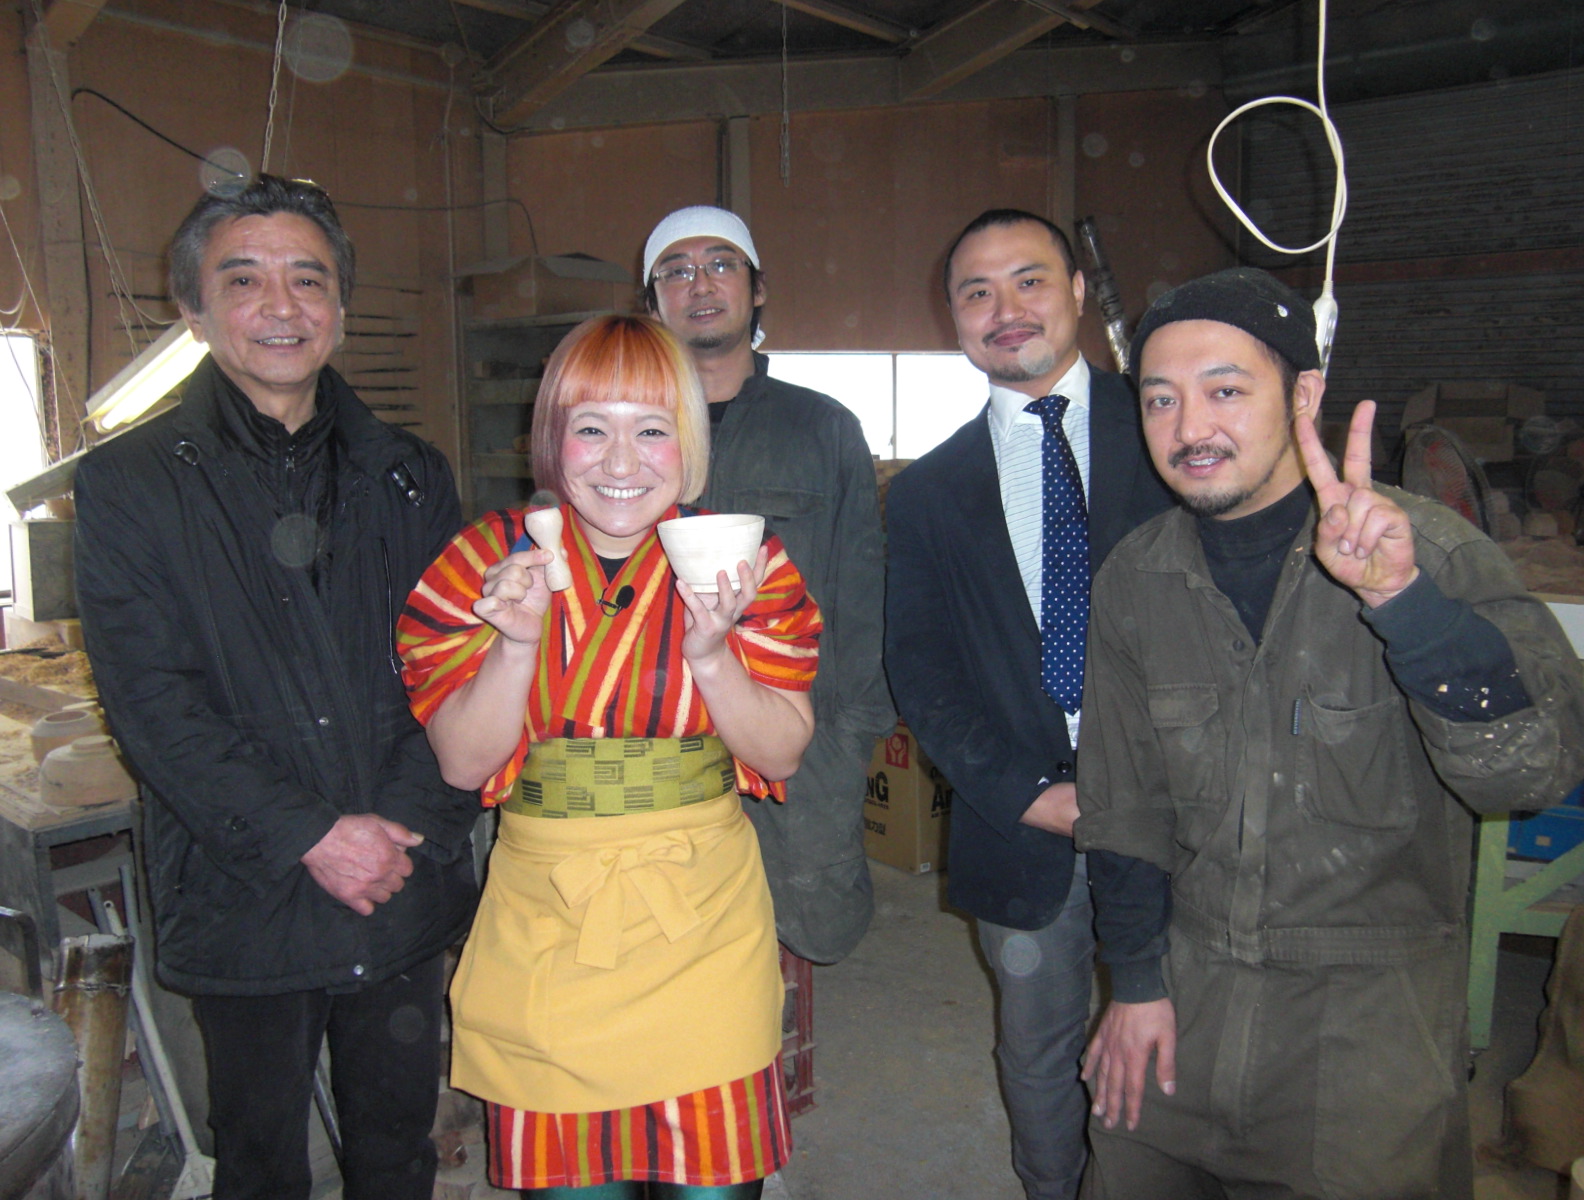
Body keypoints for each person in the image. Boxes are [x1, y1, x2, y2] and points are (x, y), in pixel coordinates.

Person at [1073, 267, 1584, 1198]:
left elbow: (1534, 773)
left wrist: (1405, 604)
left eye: (1225, 390)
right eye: (1161, 399)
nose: (1190, 428)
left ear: (1304, 395)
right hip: (1187, 989)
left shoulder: (1428, 554)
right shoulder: (1135, 581)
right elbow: (1124, 808)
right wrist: (1136, 983)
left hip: (1366, 1020)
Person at [74, 175, 480, 1200]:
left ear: (339, 306)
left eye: (308, 279)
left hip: (396, 878)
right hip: (246, 887)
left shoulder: (409, 474)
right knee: (259, 1161)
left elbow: (456, 667)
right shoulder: (129, 484)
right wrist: (311, 834)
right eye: (243, 279)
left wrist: (397, 829)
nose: (280, 305)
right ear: (194, 309)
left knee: (397, 1150)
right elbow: (152, 704)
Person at [398, 314, 821, 1199]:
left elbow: (781, 751)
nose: (621, 462)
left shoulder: (741, 559)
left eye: (652, 429)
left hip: (703, 925)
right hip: (548, 925)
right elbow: (463, 767)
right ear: (552, 438)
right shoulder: (486, 562)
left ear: (689, 443)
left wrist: (713, 658)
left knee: (714, 1184)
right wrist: (514, 645)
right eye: (591, 427)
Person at [882, 208, 1172, 1200]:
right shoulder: (928, 492)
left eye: (1030, 280)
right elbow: (920, 667)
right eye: (977, 291)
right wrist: (1023, 794)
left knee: (1183, 1037)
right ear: (954, 316)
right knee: (1039, 1048)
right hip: (1021, 820)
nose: (1004, 309)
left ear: (1078, 293)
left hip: (1183, 808)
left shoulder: (1170, 433)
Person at [640, 205, 894, 965]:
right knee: (661, 936)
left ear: (757, 289)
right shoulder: (620, 429)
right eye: (676, 271)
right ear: (652, 301)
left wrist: (850, 736)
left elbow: (862, 595)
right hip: (652, 738)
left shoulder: (822, 429)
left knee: (806, 922)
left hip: (796, 733)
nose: (700, 284)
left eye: (721, 264)